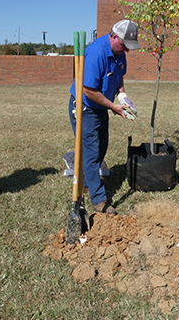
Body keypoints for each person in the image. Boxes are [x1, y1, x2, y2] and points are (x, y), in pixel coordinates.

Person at [69, 19, 140, 214]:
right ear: (114, 36)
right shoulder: (96, 53)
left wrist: (122, 95)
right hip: (85, 106)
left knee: (102, 146)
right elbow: (88, 89)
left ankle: (87, 178)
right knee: (91, 152)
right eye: (124, 44)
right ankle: (99, 201)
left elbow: (118, 76)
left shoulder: (118, 53)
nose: (126, 50)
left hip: (102, 106)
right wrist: (113, 107)